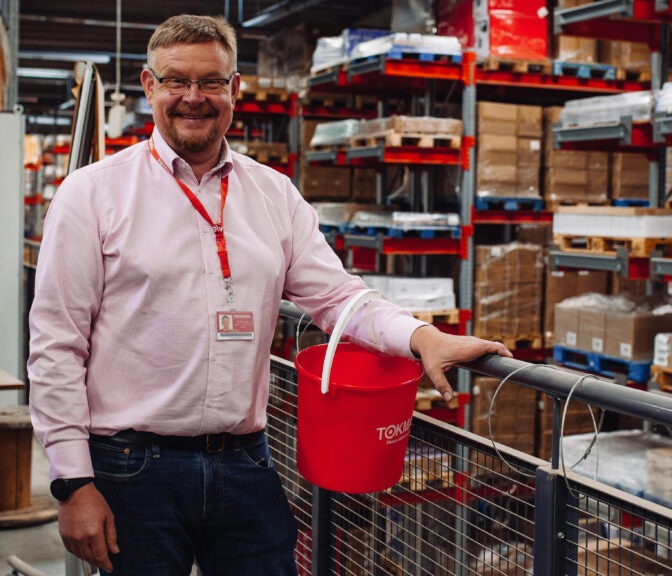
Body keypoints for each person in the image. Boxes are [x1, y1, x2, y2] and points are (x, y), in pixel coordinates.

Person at [28, 14, 510, 576]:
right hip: (132, 469)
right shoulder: (93, 195)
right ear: (149, 86)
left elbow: (338, 297)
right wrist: (72, 483)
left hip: (245, 464)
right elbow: (57, 347)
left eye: (211, 82)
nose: (193, 98)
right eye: (176, 81)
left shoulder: (272, 193)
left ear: (235, 89)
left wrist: (423, 337)